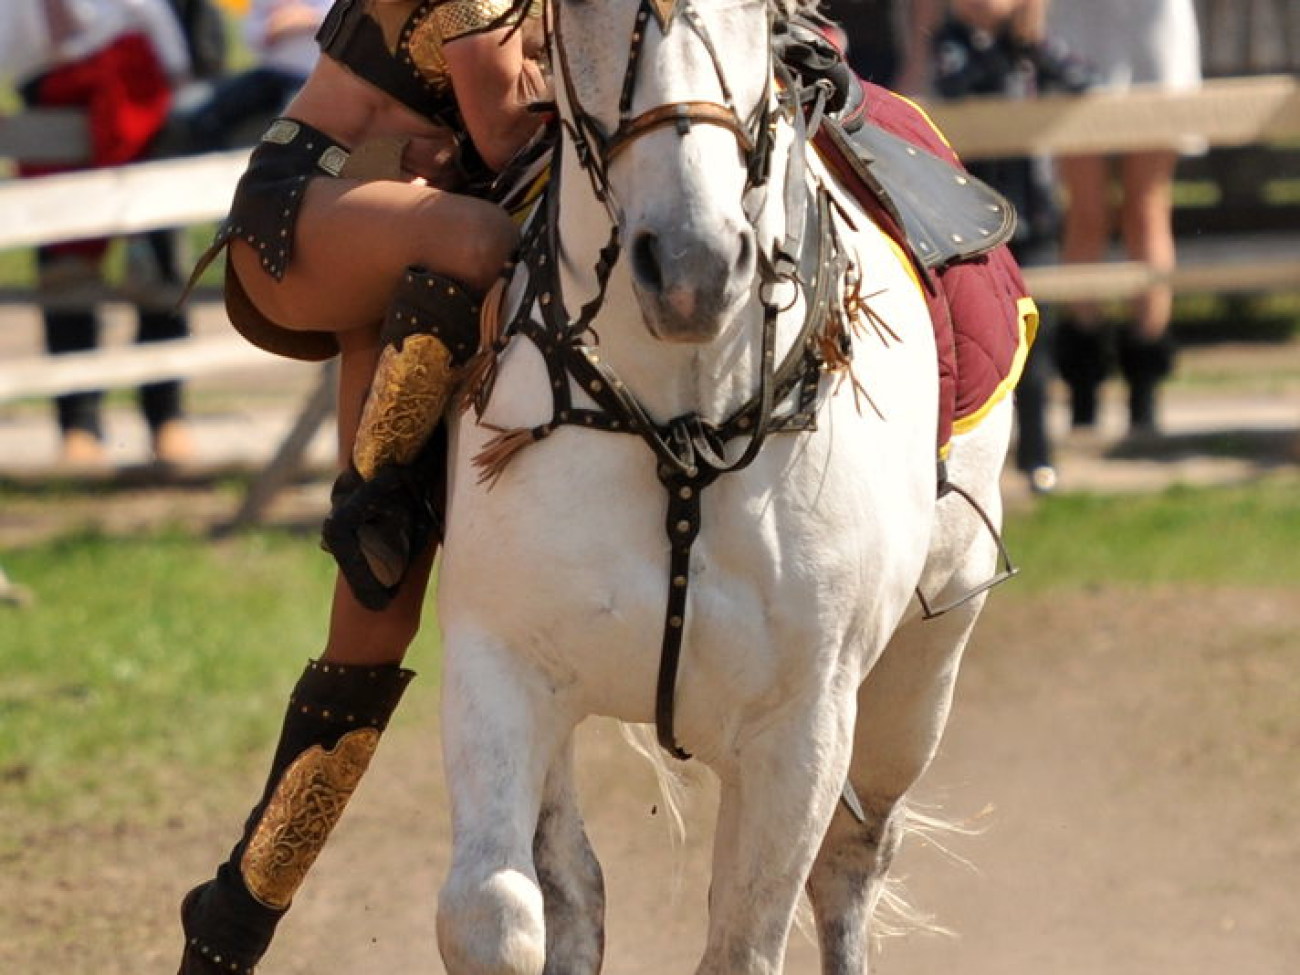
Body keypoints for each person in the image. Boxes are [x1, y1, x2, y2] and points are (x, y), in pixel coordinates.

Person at [174, 0, 549, 971]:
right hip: (317, 206)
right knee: (481, 237)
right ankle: (388, 501)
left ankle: (230, 921)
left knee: (374, 626)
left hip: (397, 248)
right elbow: (507, 132)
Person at [3, 0, 200, 467]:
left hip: (141, 114)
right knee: (66, 274)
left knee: (159, 267)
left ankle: (165, 417)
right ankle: (78, 424)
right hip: (52, 104)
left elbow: (163, 27)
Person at [931, 0, 1095, 492]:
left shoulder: (1032, 46)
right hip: (970, 223)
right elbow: (954, 85)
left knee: (1034, 348)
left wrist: (1032, 45)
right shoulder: (952, 42)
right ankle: (964, 457)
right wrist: (1008, 45)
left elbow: (1082, 79)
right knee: (975, 343)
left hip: (1034, 215)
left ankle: (1038, 456)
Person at [1047, 0, 1202, 434]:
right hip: (1075, 23)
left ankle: (1145, 383)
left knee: (1146, 208)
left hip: (1151, 19)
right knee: (1086, 212)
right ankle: (1083, 384)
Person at [180, 0, 331, 152]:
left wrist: (305, 18)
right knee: (205, 117)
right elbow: (252, 36)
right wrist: (281, 25)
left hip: (314, 74)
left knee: (294, 126)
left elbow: (342, 22)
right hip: (273, 71)